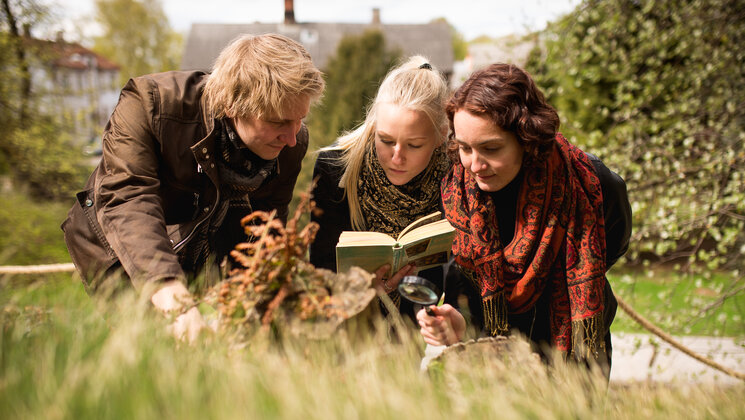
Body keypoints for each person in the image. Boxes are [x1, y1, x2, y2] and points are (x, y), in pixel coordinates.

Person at [61, 33, 325, 341]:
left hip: (206, 238)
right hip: (116, 239)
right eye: (279, 122)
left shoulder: (291, 142)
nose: (292, 138)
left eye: (300, 120)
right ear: (232, 106)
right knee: (147, 345)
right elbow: (128, 199)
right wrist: (168, 289)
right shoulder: (149, 105)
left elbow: (266, 225)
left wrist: (254, 304)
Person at [416, 63, 631, 377]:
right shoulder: (453, 195)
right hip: (488, 354)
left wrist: (555, 275)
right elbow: (459, 282)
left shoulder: (589, 183)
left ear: (527, 137)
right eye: (464, 148)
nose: (474, 165)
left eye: (491, 148)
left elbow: (613, 244)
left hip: (575, 354)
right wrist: (457, 321)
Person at [309, 55, 451, 320]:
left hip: (429, 323)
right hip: (350, 326)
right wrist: (365, 290)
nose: (397, 157)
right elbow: (321, 270)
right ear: (373, 126)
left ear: (440, 137)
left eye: (414, 145)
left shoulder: (454, 172)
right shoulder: (336, 167)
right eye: (385, 140)